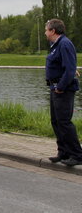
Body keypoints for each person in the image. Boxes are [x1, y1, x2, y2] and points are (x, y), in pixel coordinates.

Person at [45, 19, 82, 166]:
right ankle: (63, 152)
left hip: (63, 90)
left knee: (64, 122)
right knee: (56, 121)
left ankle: (77, 154)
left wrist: (60, 86)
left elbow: (70, 69)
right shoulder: (55, 45)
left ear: (53, 31)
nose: (45, 33)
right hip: (54, 88)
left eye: (46, 30)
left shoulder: (64, 44)